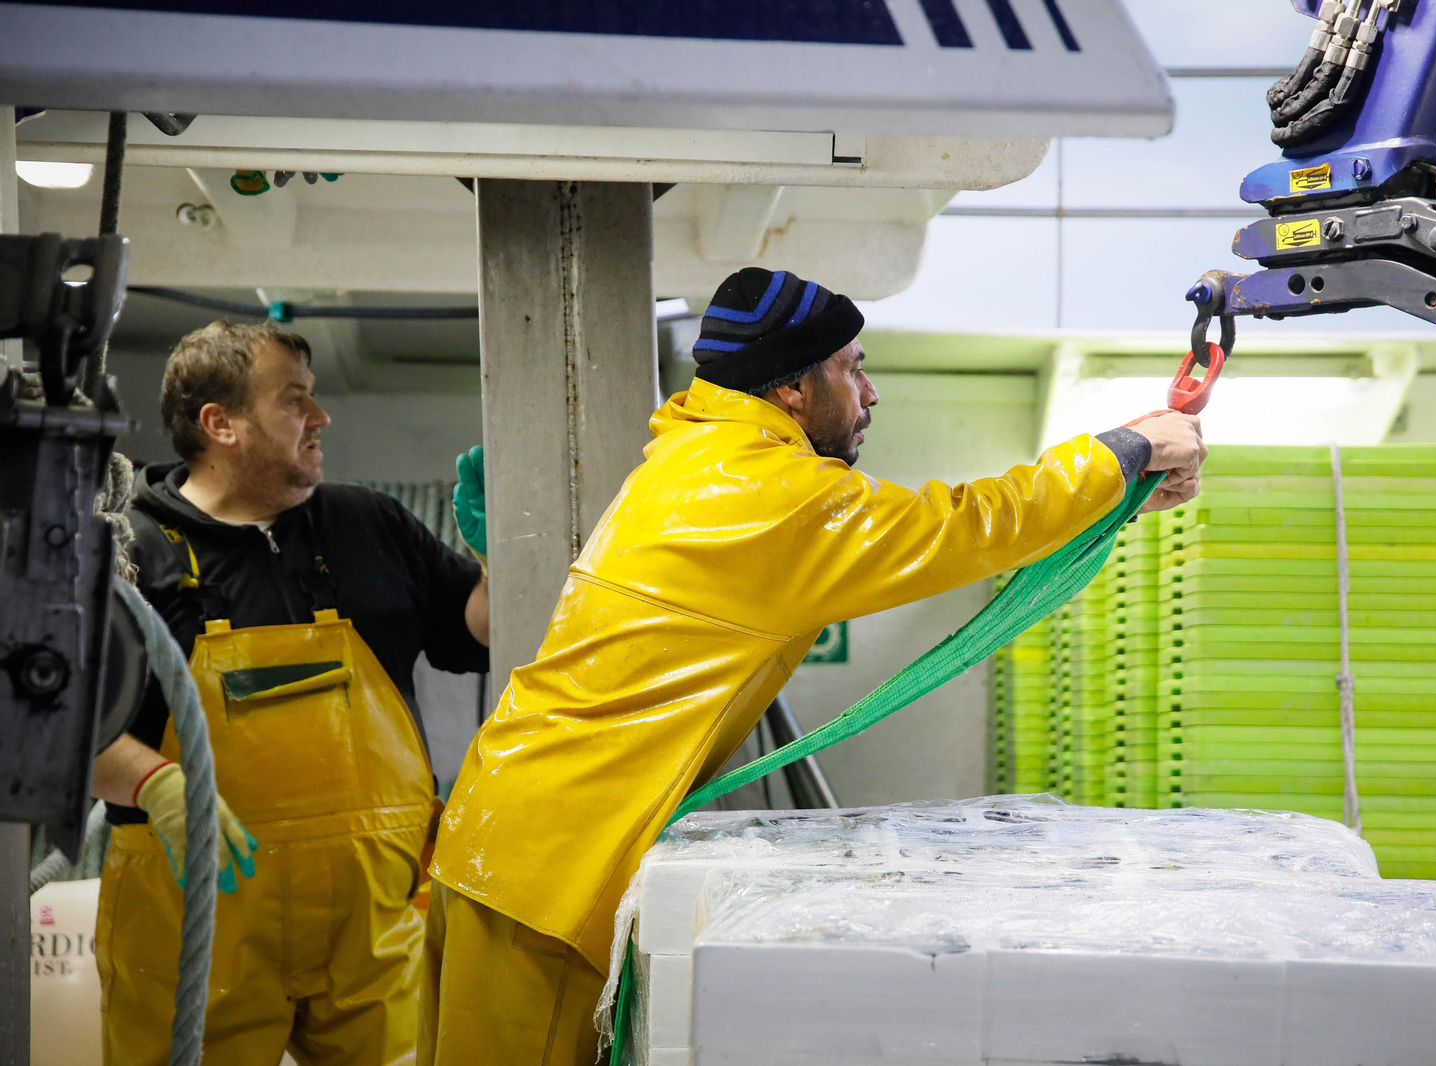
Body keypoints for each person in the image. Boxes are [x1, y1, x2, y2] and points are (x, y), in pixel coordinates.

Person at [421, 268, 1206, 1066]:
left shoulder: (700, 457)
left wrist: (1115, 498)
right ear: (795, 388)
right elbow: (959, 528)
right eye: (852, 368)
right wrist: (1125, 451)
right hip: (549, 869)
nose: (869, 393)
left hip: (511, 843)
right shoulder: (771, 492)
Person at [91, 320, 490, 1065]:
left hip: (371, 929)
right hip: (195, 925)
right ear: (221, 424)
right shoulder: (125, 551)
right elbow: (53, 728)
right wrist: (155, 785)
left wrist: (504, 559)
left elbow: (476, 630)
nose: (320, 418)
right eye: (294, 400)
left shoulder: (368, 522)